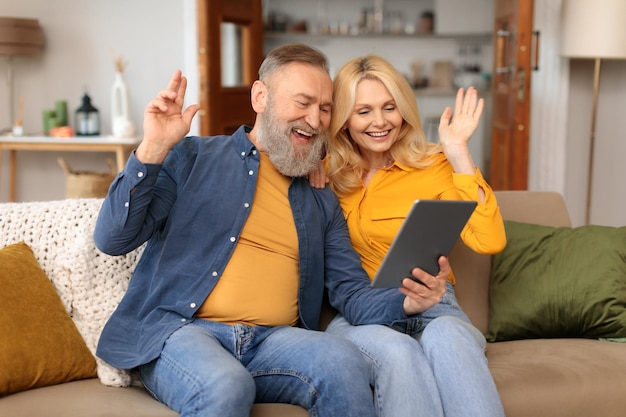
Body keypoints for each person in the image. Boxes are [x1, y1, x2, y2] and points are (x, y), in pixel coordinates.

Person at [93, 44, 451, 417]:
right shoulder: (192, 157)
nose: (314, 119)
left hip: (274, 341)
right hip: (185, 332)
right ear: (260, 97)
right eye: (303, 102)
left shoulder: (320, 196)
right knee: (227, 383)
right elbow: (112, 238)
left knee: (344, 362)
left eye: (325, 108)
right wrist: (153, 147)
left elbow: (350, 291)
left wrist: (406, 301)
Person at [310, 54, 507, 417]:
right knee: (399, 352)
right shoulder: (326, 175)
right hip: (361, 310)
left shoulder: (434, 165)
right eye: (363, 111)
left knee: (446, 336)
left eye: (389, 107)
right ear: (343, 120)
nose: (380, 121)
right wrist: (313, 163)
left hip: (436, 303)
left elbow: (489, 241)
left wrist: (459, 153)